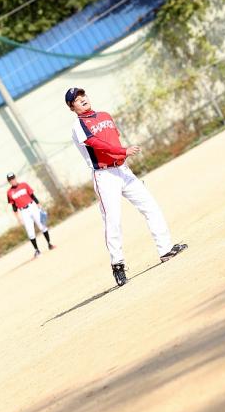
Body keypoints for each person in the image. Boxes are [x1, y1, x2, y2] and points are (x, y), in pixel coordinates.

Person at [65, 87, 187, 286]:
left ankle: (165, 249)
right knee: (113, 220)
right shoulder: (78, 125)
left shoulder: (105, 115)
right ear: (72, 107)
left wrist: (122, 157)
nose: (83, 99)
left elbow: (113, 138)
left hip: (123, 170)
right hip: (104, 175)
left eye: (83, 95)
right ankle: (118, 265)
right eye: (77, 99)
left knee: (150, 206)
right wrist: (123, 151)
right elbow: (96, 143)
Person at [6, 173, 55, 259]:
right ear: (9, 181)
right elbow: (14, 206)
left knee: (42, 225)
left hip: (33, 207)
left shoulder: (24, 185)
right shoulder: (9, 192)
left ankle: (49, 244)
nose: (12, 180)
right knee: (30, 231)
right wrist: (18, 218)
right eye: (10, 179)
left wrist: (39, 205)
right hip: (24, 211)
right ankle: (37, 250)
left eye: (13, 178)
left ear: (15, 178)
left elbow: (32, 195)